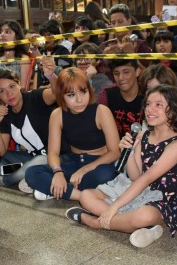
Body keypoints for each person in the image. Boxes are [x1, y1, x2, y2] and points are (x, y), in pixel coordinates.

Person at [67, 85, 177, 248]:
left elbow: (147, 178)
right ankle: (131, 223)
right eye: (148, 104)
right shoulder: (144, 135)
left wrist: (114, 207)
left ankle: (96, 222)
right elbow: (135, 176)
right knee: (86, 196)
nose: (150, 109)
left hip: (162, 198)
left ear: (174, 109)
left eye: (158, 105)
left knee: (143, 216)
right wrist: (130, 151)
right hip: (136, 188)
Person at [24, 67, 120, 201]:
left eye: (83, 92)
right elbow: (52, 153)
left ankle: (58, 190)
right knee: (32, 173)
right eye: (71, 95)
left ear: (90, 90)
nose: (79, 100)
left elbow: (115, 152)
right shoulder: (57, 114)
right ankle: (81, 196)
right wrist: (57, 172)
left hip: (99, 164)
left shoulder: (101, 111)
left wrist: (85, 169)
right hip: (73, 161)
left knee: (105, 176)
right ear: (61, 96)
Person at [0, 57, 57, 190]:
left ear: (19, 84)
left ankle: (6, 180)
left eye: (12, 86)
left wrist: (51, 75)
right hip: (30, 158)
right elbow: (0, 151)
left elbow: (57, 93)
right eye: (2, 91)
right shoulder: (6, 114)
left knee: (36, 163)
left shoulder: (35, 97)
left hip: (55, 156)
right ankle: (30, 178)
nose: (9, 93)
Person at [97, 59, 144, 137]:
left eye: (126, 72)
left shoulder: (149, 95)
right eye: (116, 73)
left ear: (137, 72)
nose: (121, 78)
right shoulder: (106, 95)